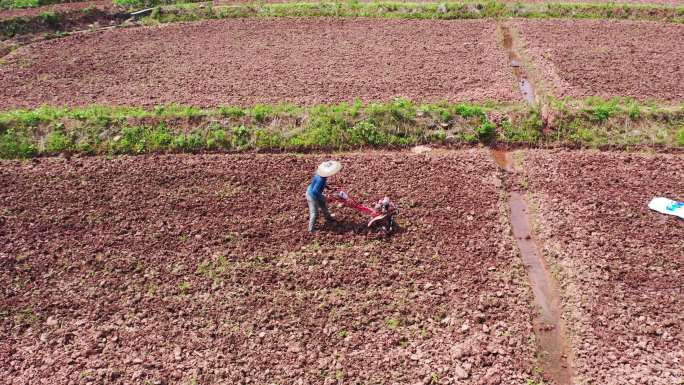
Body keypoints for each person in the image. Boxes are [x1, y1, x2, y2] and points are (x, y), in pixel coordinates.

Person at [306, 160, 342, 232]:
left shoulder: (321, 176)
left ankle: (328, 217)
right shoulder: (321, 179)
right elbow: (315, 191)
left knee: (323, 206)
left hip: (316, 193)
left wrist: (328, 187)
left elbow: (319, 185)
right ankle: (310, 230)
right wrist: (324, 197)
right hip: (311, 195)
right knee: (314, 213)